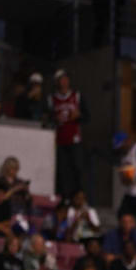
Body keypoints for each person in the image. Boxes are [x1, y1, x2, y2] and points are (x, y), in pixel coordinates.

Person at [50, 69, 88, 200]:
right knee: (61, 171)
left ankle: (79, 197)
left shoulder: (77, 96)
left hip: (75, 139)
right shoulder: (51, 98)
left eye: (66, 78)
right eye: (61, 79)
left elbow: (88, 117)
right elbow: (44, 118)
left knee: (77, 168)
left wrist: (78, 115)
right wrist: (54, 119)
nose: (64, 82)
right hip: (59, 140)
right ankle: (64, 198)